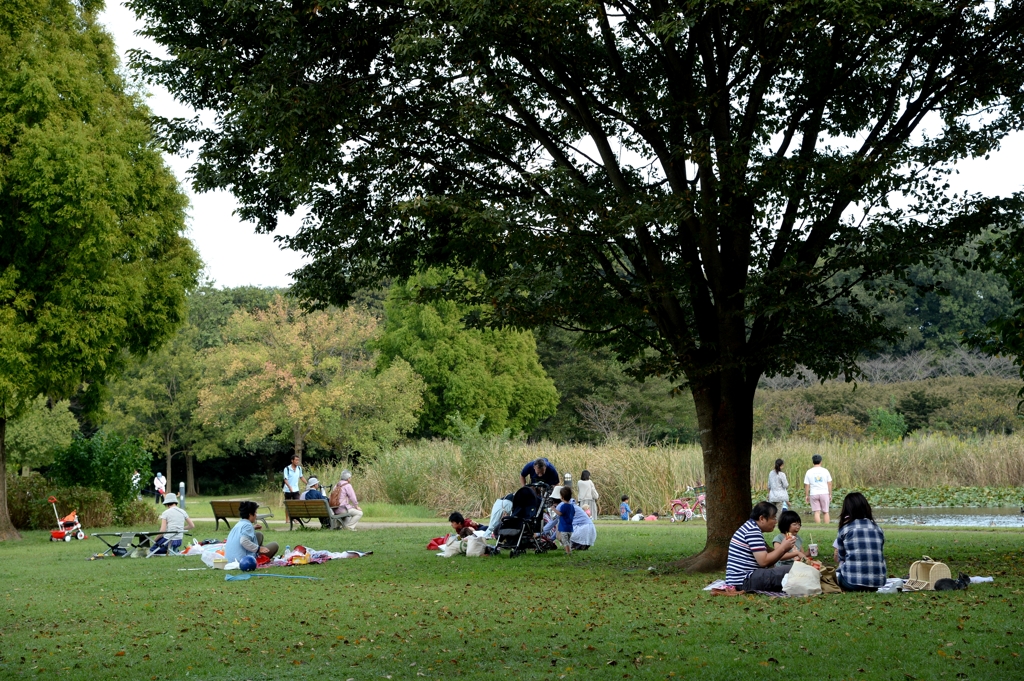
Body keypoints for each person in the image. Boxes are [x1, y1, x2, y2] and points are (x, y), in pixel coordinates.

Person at [725, 501, 796, 591]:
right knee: (794, 569)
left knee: (791, 569)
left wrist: (784, 548)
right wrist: (783, 548)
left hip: (741, 580)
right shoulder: (752, 531)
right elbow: (764, 562)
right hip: (745, 580)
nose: (776, 521)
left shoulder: (750, 527)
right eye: (773, 518)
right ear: (762, 518)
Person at [834, 492, 887, 592]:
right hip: (877, 583)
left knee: (836, 574)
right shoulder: (878, 529)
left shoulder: (845, 529)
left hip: (852, 582)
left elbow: (841, 557)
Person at [803, 454, 833, 523]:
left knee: (817, 512)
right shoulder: (825, 471)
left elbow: (807, 484)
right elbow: (829, 483)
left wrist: (807, 495)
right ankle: (827, 526)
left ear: (813, 462)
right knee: (825, 511)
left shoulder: (809, 471)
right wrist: (830, 494)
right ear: (821, 461)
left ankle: (818, 525)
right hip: (824, 493)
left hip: (814, 493)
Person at [553, 486, 575, 555]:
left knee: (565, 541)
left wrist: (554, 509)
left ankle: (568, 552)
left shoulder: (563, 506)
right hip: (570, 527)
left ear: (562, 497)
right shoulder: (571, 506)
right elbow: (574, 513)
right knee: (568, 540)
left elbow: (560, 513)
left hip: (564, 527)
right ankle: (569, 550)